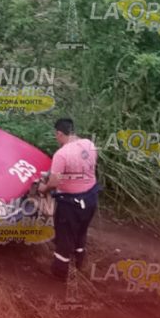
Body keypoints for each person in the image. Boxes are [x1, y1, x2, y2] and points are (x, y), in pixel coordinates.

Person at [38, 118, 99, 281]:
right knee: (81, 231)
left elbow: (55, 182)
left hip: (71, 204)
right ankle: (79, 262)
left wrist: (44, 188)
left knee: (65, 237)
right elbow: (88, 167)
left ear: (59, 133)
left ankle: (59, 273)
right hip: (91, 197)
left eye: (56, 136)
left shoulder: (62, 154)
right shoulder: (89, 144)